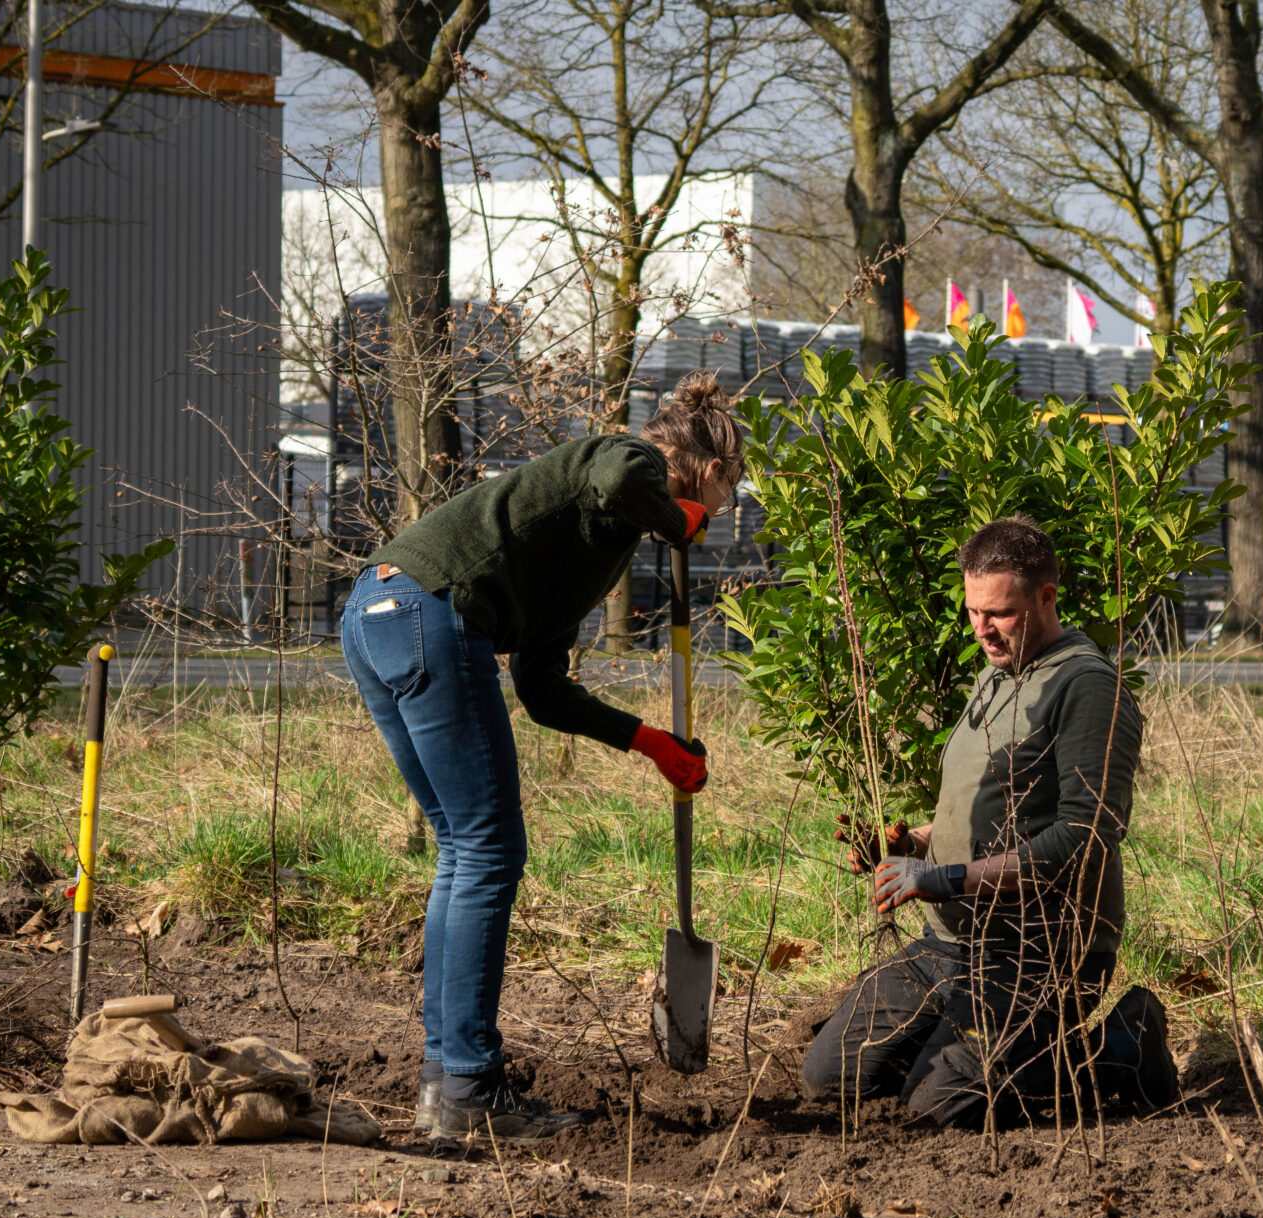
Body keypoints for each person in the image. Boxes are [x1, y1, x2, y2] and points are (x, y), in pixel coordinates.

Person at [342, 373, 744, 1148]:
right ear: (713, 466)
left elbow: (541, 685)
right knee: (488, 848)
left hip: (379, 615)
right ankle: (466, 1083)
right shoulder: (633, 460)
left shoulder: (601, 537)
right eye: (727, 492)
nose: (720, 512)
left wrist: (651, 741)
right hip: (430, 612)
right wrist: (678, 515)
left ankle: (451, 1083)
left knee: (466, 850)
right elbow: (625, 477)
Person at [800, 516, 1178, 1127]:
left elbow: (1083, 841)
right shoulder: (995, 674)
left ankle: (1120, 1049)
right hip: (947, 942)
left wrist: (944, 878)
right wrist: (909, 847)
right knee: (831, 1075)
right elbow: (984, 814)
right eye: (974, 610)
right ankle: (980, 1058)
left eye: (999, 612)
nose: (982, 628)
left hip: (1038, 949)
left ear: (1046, 597)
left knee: (941, 1109)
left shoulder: (1086, 688)